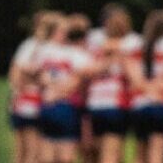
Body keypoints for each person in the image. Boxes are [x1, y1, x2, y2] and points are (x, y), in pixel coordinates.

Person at [37, 15, 97, 163]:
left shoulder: (50, 51)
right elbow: (77, 79)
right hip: (60, 106)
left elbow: (43, 77)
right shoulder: (74, 54)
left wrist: (53, 92)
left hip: (54, 104)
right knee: (59, 155)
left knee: (55, 155)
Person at [87, 7, 141, 163]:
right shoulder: (132, 44)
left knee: (97, 152)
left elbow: (87, 70)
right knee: (112, 153)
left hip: (96, 103)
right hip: (117, 104)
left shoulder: (96, 45)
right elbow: (134, 77)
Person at [128, 10, 163, 163]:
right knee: (158, 151)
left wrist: (148, 90)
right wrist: (158, 91)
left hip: (140, 104)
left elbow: (135, 78)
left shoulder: (137, 46)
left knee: (140, 152)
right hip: (162, 104)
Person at [7, 10, 60, 163]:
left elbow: (14, 74)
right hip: (32, 101)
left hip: (20, 100)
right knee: (33, 152)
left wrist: (16, 92)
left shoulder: (28, 45)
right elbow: (21, 73)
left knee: (20, 151)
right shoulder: (42, 47)